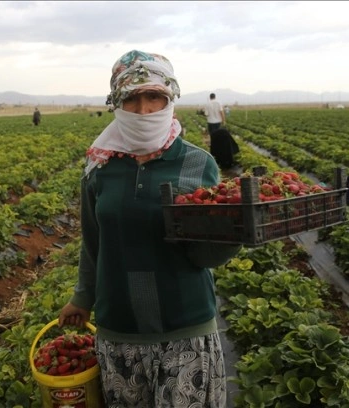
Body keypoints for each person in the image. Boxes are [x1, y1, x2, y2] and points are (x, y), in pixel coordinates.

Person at [58, 49, 240, 407]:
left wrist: (233, 231)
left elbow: (205, 254)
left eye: (154, 96)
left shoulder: (197, 163)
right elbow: (93, 240)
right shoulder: (100, 164)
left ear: (169, 98)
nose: (144, 110)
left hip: (186, 328)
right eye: (132, 98)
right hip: (119, 329)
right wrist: (82, 296)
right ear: (117, 103)